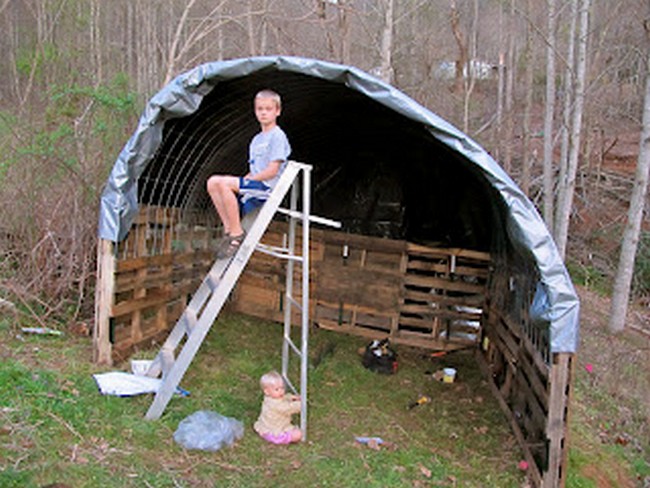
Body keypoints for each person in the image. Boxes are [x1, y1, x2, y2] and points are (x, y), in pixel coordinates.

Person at [206, 89, 291, 258]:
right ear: (255, 111)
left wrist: (246, 180)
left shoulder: (278, 136)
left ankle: (237, 234)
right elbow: (254, 169)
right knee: (213, 182)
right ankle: (229, 229)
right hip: (255, 182)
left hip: (267, 187)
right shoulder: (256, 140)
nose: (264, 113)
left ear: (277, 111)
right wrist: (244, 179)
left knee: (225, 183)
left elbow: (272, 170)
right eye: (260, 109)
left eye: (268, 109)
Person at [253, 370, 302, 445]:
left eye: (282, 388)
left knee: (296, 431)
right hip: (275, 430)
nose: (281, 391)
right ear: (267, 391)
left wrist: (293, 398)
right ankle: (279, 439)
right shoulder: (275, 405)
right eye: (277, 389)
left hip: (268, 426)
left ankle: (265, 434)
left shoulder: (271, 398)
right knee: (298, 434)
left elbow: (284, 398)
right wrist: (300, 404)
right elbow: (288, 408)